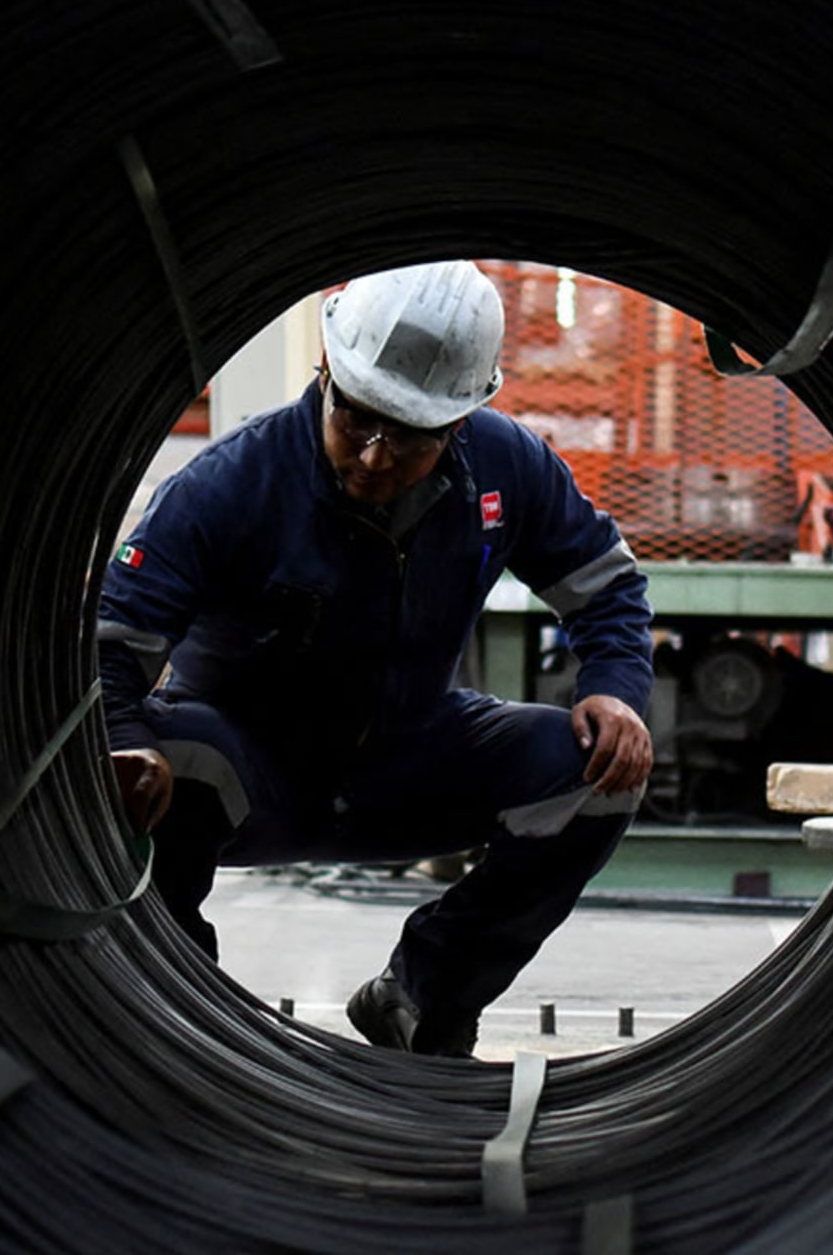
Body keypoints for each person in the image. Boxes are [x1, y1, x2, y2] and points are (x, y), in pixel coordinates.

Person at [100, 260, 654, 1057]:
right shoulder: (230, 484)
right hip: (251, 773)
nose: (373, 456)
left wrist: (616, 689)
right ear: (325, 373)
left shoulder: (506, 468)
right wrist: (125, 737)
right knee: (165, 753)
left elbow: (607, 586)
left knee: (597, 771)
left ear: (460, 422)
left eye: (408, 435)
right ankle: (186, 1029)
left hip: (410, 760)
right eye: (357, 419)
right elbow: (115, 640)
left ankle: (424, 999)